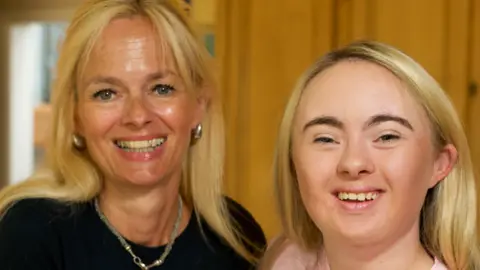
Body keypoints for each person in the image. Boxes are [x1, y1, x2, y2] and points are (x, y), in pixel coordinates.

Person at [0, 0, 266, 269]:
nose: (138, 116)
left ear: (199, 104)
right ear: (76, 117)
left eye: (161, 88)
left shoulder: (237, 237)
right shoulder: (29, 234)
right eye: (106, 93)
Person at [260, 41, 480, 269]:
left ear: (439, 163)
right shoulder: (282, 260)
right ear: (292, 162)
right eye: (325, 138)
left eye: (387, 137)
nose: (353, 163)